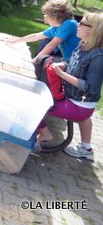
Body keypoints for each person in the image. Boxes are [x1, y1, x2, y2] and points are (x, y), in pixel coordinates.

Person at [36, 12, 103, 160]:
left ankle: (45, 134)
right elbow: (72, 63)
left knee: (36, 104)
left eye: (82, 23)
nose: (77, 25)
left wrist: (61, 74)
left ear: (93, 29)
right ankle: (86, 148)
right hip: (72, 98)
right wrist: (63, 64)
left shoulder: (98, 56)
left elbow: (90, 87)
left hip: (79, 106)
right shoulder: (83, 44)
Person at [6, 0, 80, 62]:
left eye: (46, 14)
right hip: (69, 61)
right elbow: (36, 36)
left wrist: (35, 60)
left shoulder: (69, 24)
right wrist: (16, 41)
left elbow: (52, 45)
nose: (44, 17)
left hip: (76, 62)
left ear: (55, 15)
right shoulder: (56, 27)